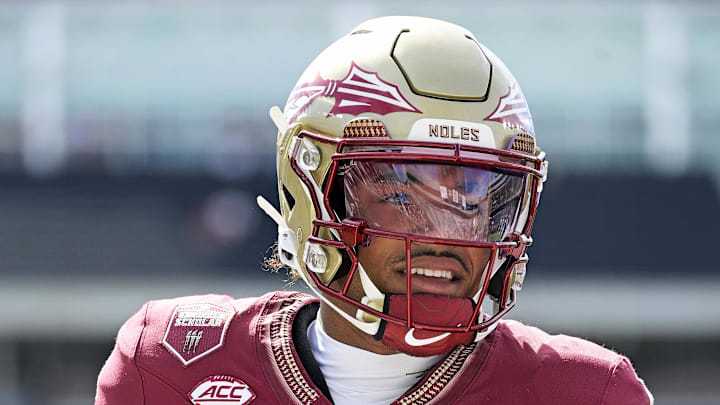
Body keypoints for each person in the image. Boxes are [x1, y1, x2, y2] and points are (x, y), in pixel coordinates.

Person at [95, 16, 653, 405]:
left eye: (471, 200)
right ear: (312, 192)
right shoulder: (167, 368)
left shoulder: (588, 393)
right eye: (402, 197)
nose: (444, 237)